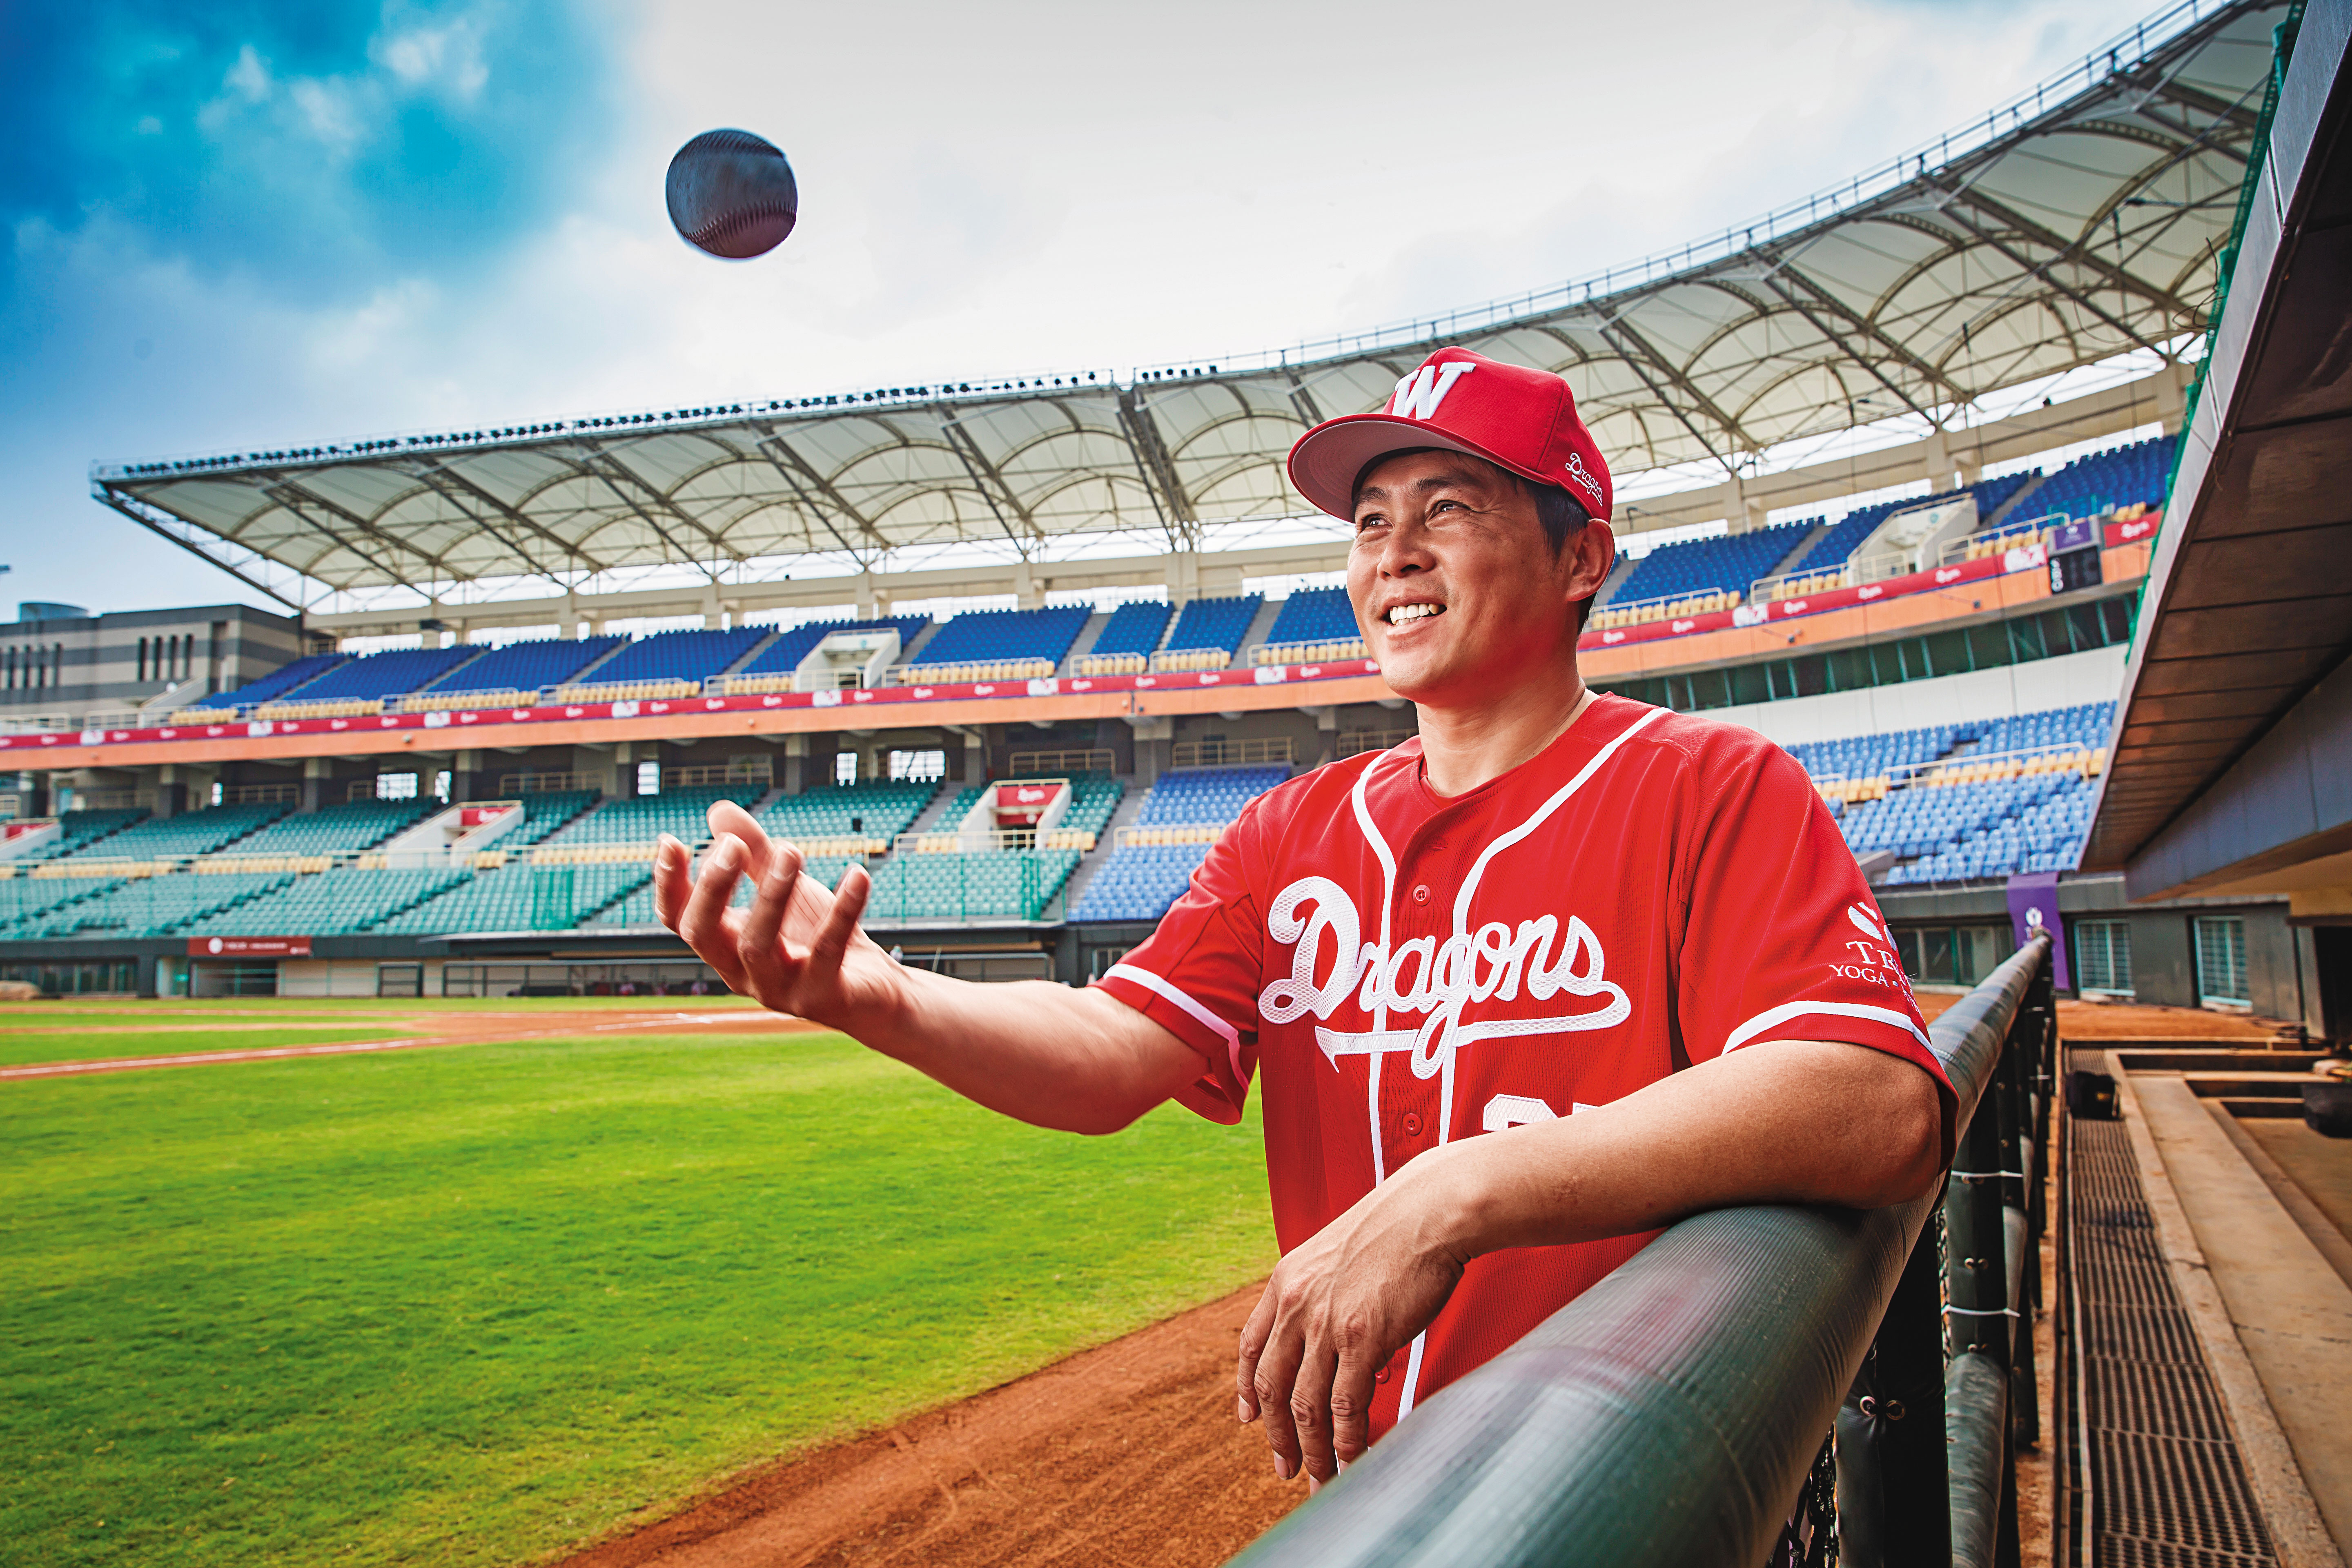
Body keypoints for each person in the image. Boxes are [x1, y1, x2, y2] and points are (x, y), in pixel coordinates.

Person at [655, 345, 1951, 1491]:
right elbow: (1118, 1050)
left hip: (1625, 1484)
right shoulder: (1291, 833)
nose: (1394, 551)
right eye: (1371, 519)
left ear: (1581, 558)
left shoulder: (1709, 784)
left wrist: (1456, 1192)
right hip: (1375, 1495)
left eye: (1450, 507)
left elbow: (1874, 1103)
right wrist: (879, 995)